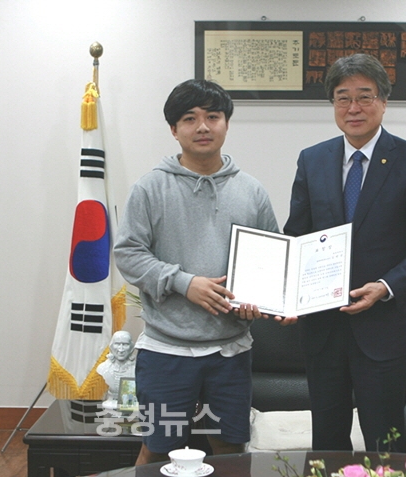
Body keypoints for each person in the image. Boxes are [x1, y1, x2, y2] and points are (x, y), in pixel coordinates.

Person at [114, 79, 283, 464]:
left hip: (230, 350)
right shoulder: (149, 188)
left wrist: (258, 301)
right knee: (159, 449)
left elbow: (270, 258)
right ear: (174, 130)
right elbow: (128, 253)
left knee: (229, 450)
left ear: (226, 124)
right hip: (167, 350)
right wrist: (184, 283)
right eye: (190, 119)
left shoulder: (252, 191)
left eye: (212, 116)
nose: (203, 126)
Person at [284, 54, 406, 452]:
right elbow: (298, 237)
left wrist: (385, 286)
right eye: (343, 98)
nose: (353, 108)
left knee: (385, 443)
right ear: (333, 104)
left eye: (364, 96)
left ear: (384, 101)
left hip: (385, 328)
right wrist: (285, 292)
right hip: (324, 328)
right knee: (327, 444)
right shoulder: (312, 159)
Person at [97, 330, 136, 401]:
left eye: (125, 344)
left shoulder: (137, 369)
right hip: (109, 403)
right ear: (111, 346)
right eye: (117, 344)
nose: (121, 349)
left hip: (128, 404)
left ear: (131, 347)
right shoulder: (103, 368)